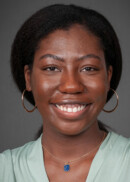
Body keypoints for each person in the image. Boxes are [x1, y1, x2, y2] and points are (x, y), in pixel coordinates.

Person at [0, 4, 130, 182]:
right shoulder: (5, 169)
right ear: (28, 78)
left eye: (88, 68)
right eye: (52, 68)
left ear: (108, 76)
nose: (71, 86)